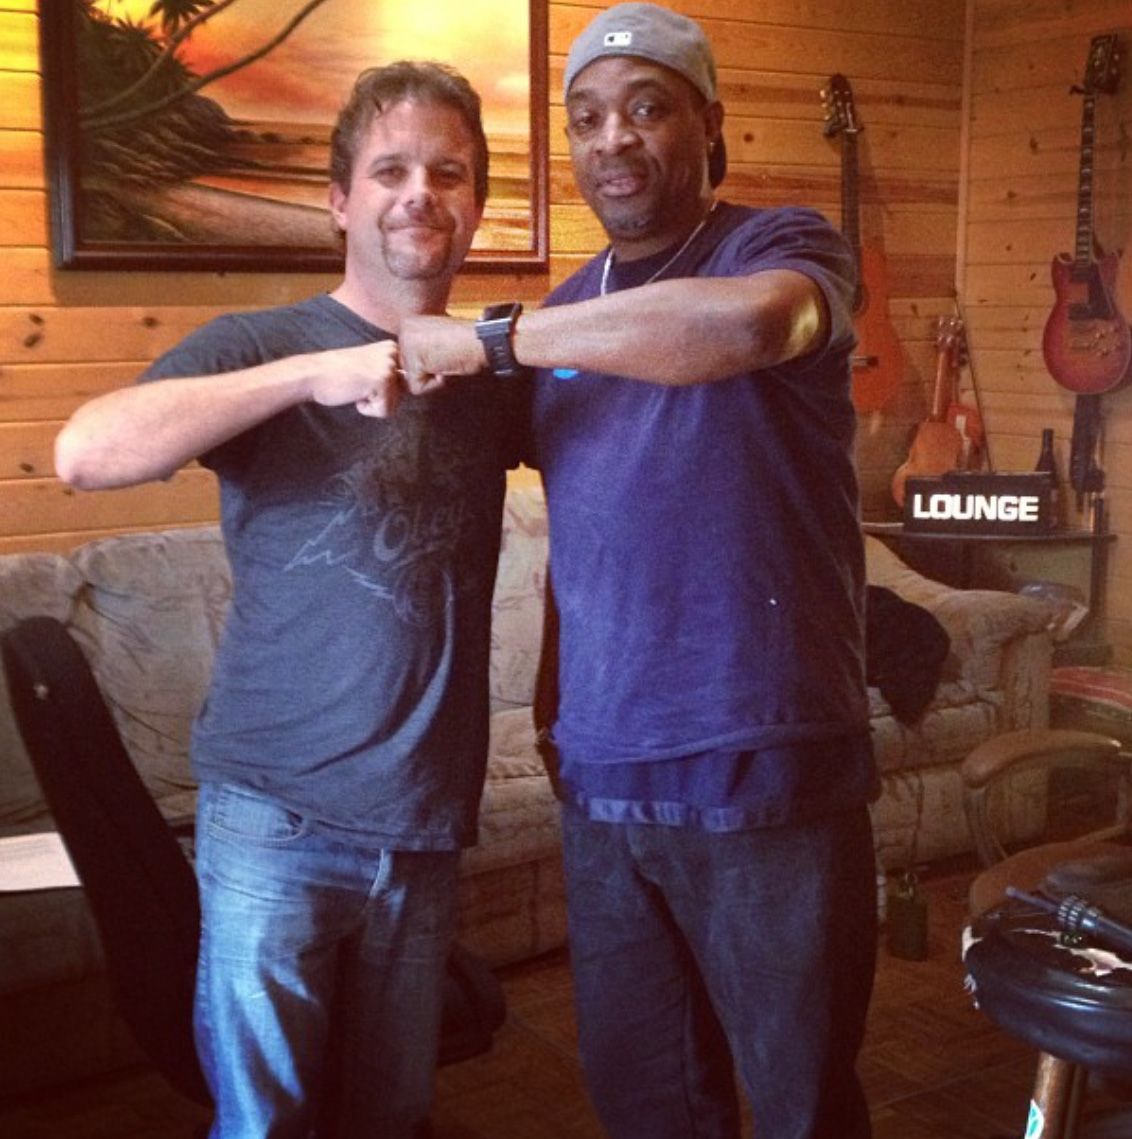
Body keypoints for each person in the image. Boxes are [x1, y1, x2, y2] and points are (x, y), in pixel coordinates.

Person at [398, 5, 878, 1137]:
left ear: (707, 122)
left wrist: (500, 338)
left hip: (765, 767)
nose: (612, 139)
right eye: (586, 118)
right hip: (602, 775)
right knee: (648, 1104)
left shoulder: (783, 249)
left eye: (647, 107)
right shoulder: (562, 316)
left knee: (803, 1102)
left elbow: (746, 331)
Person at [54, 61, 524, 1139]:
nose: (420, 194)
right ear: (338, 201)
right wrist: (307, 378)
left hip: (421, 823)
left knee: (391, 1114)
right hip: (275, 820)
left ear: (474, 206)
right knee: (262, 1124)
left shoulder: (495, 376)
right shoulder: (262, 345)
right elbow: (85, 450)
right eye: (390, 169)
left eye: (448, 172)